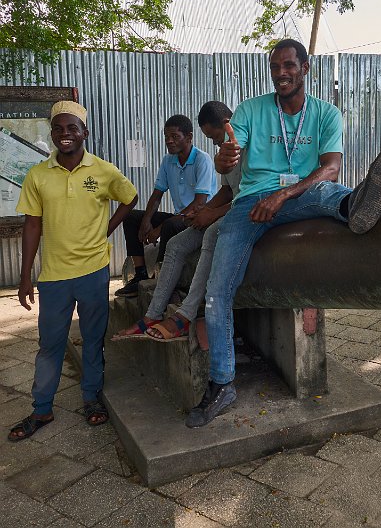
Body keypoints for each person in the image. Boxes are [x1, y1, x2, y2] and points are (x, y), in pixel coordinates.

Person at [185, 38, 381, 429]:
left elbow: (331, 166)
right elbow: (228, 160)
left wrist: (284, 194)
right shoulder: (252, 110)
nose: (281, 73)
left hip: (299, 198)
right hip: (252, 204)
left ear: (305, 68)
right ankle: (222, 384)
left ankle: (356, 208)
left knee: (325, 190)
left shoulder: (326, 114)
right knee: (217, 294)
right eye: (275, 66)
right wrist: (224, 159)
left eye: (289, 65)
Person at [8, 101, 138, 442]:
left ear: (85, 133)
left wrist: (105, 231)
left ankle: (91, 398)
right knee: (50, 343)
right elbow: (32, 225)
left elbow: (130, 197)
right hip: (53, 276)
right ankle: (41, 409)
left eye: (72, 128)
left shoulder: (104, 171)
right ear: (52, 134)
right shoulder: (37, 175)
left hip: (94, 271)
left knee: (93, 340)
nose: (65, 135)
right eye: (59, 129)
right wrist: (25, 276)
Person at [112, 101, 239, 344]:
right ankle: (152, 313)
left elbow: (250, 195)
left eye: (213, 136)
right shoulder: (222, 152)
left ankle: (185, 314)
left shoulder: (233, 151)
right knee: (175, 244)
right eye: (166, 137)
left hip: (233, 217)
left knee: (205, 236)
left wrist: (209, 212)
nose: (214, 142)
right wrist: (203, 211)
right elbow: (227, 191)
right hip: (209, 213)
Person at [115, 114, 218, 297]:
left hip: (199, 218)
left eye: (174, 136)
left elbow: (199, 202)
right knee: (132, 217)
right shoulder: (167, 161)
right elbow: (157, 195)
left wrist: (159, 229)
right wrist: (146, 221)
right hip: (179, 216)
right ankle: (140, 274)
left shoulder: (203, 160)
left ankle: (162, 279)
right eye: (166, 137)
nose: (169, 141)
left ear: (189, 137)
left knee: (170, 224)